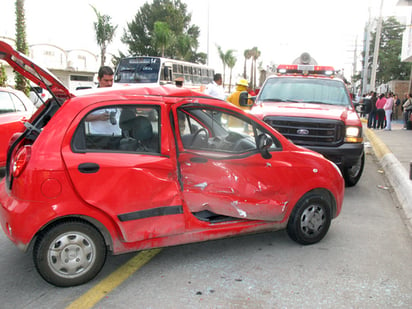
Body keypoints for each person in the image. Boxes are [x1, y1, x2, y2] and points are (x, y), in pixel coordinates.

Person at [86, 66, 120, 136]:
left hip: (116, 136)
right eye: (106, 80)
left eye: (111, 80)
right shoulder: (91, 96)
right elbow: (84, 117)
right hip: (98, 137)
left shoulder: (117, 94)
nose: (109, 84)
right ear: (99, 79)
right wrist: (99, 117)